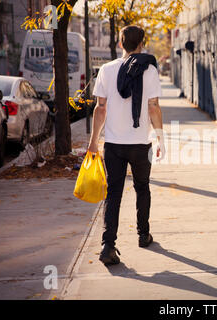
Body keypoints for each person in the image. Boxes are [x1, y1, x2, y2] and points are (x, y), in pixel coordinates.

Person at [88, 25, 165, 265]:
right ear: (142, 43)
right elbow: (153, 106)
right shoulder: (149, 69)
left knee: (114, 194)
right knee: (143, 188)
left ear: (121, 44)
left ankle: (108, 245)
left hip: (113, 144)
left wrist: (93, 142)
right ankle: (143, 234)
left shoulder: (106, 69)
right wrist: (161, 137)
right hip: (141, 143)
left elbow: (100, 109)